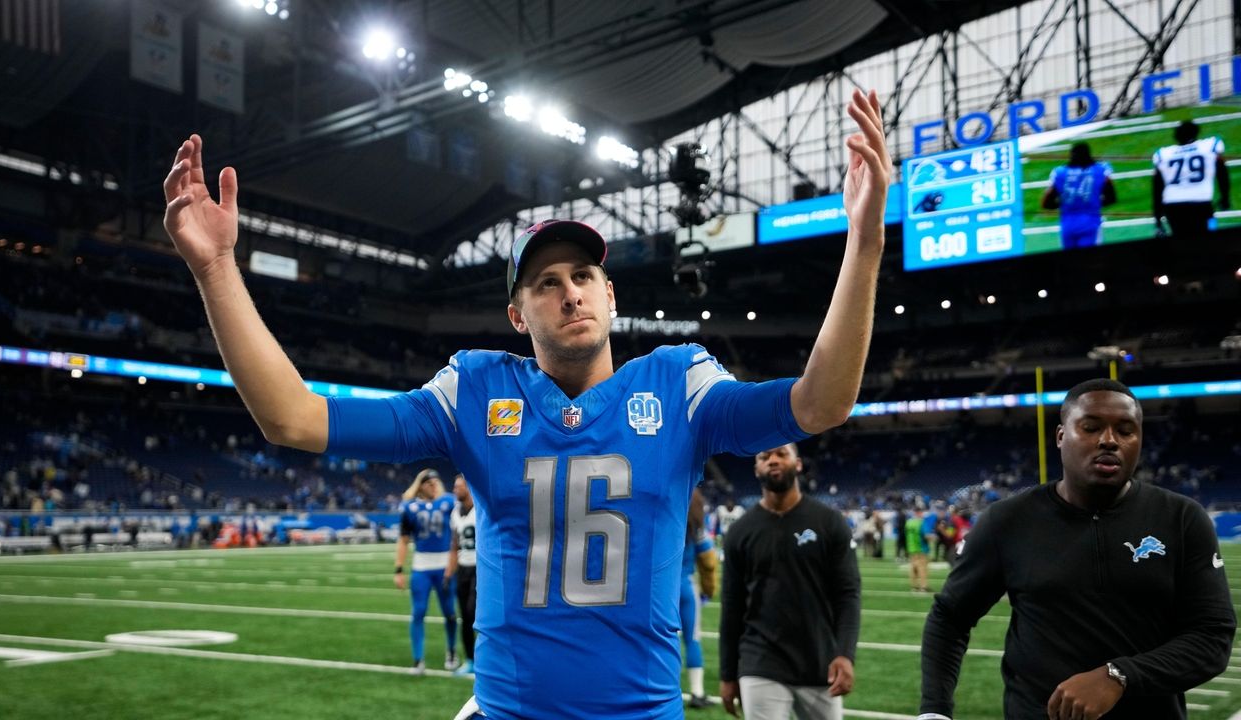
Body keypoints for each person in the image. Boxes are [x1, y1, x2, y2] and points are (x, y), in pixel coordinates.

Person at [161, 87, 891, 720]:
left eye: (583, 275)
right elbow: (294, 417)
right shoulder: (475, 389)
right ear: (518, 314)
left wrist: (862, 243)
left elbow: (820, 403)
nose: (570, 290)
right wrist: (217, 268)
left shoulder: (680, 384)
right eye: (545, 282)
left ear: (611, 294)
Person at [918, 378, 1236, 720]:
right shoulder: (1007, 521)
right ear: (1060, 437)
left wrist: (1119, 676)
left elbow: (1212, 638)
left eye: (1126, 430)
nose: (1109, 441)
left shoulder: (1182, 518)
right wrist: (935, 710)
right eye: (1091, 427)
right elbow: (950, 617)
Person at [719, 443, 861, 720]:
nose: (773, 460)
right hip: (759, 661)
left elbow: (847, 594)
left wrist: (845, 653)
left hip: (819, 660)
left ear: (798, 464)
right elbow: (732, 606)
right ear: (756, 468)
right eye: (764, 456)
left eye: (781, 453)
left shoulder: (829, 522)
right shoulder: (739, 532)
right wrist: (727, 674)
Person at [394, 468, 459, 675]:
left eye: (436, 482)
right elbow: (403, 540)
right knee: (418, 613)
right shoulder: (409, 507)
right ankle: (417, 659)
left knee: (450, 613)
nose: (434, 486)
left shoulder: (448, 502)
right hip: (421, 566)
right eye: (429, 483)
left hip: (444, 566)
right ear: (420, 485)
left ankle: (451, 651)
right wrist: (398, 568)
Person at [1152, 120, 1230, 240]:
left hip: (1173, 205)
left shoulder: (1164, 154)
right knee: (1208, 242)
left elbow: (1157, 188)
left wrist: (1157, 220)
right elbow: (1222, 173)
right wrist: (1225, 197)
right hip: (1201, 202)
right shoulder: (1209, 146)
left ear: (1176, 136)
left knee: (1182, 243)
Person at [1041, 142, 1116, 249]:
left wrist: (1064, 205)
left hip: (1068, 226)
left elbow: (1046, 203)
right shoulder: (1100, 170)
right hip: (1090, 224)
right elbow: (1111, 198)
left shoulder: (1060, 173)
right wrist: (1094, 203)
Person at [682, 487, 718, 709]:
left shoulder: (659, 513)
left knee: (659, 640)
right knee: (692, 639)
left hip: (657, 588)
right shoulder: (696, 517)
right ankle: (697, 692)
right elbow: (708, 557)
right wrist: (709, 588)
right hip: (685, 585)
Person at [445, 473, 478, 675]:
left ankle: (485, 659)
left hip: (479, 568)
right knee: (464, 617)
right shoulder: (455, 513)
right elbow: (454, 545)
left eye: (459, 486)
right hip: (463, 568)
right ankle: (470, 660)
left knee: (473, 613)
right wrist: (449, 573)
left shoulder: (480, 510)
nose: (455, 490)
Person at [904, 505, 930, 592]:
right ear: (919, 512)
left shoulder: (909, 522)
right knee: (922, 569)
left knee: (913, 569)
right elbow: (926, 536)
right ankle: (923, 587)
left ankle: (914, 586)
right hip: (921, 548)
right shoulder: (922, 522)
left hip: (911, 548)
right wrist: (933, 537)